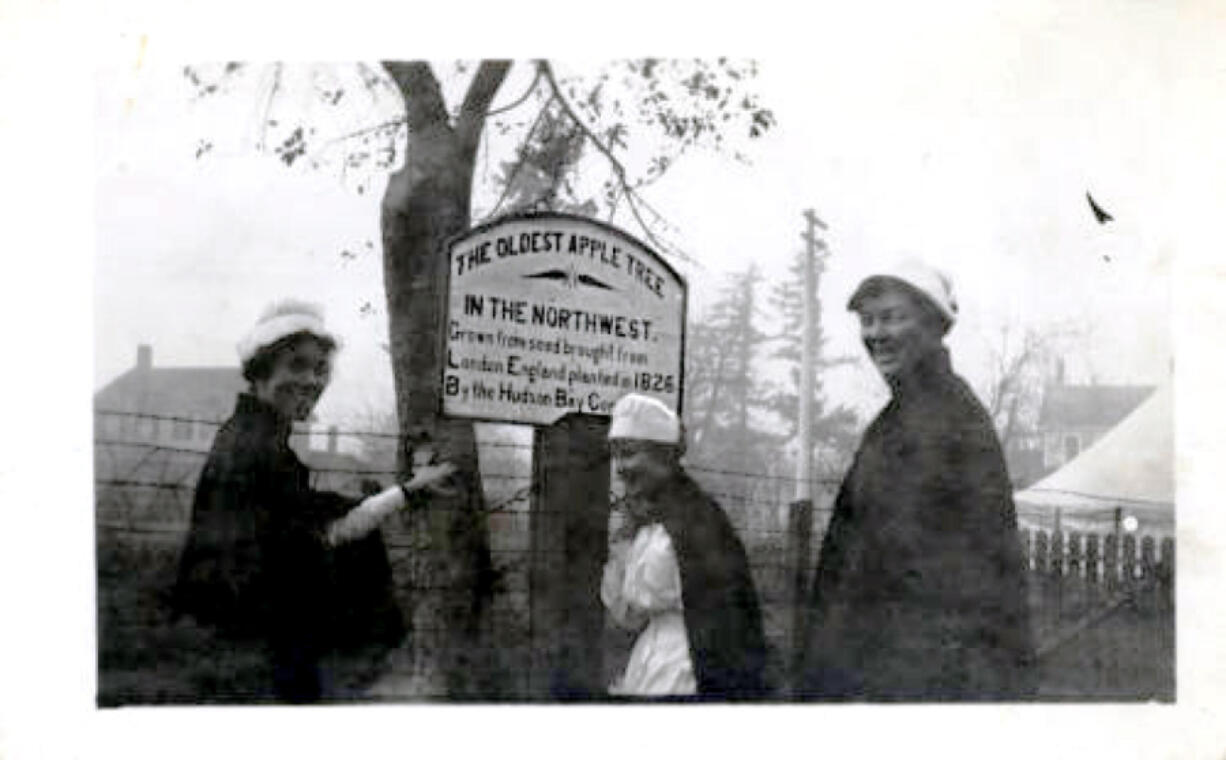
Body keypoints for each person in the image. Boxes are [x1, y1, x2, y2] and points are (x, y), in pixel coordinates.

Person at [171, 300, 454, 703]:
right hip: (258, 645)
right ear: (261, 371)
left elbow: (301, 514)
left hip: (238, 635)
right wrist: (408, 492)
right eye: (296, 365)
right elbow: (330, 533)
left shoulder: (252, 435)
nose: (310, 381)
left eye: (320, 369)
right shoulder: (255, 447)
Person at [794, 260, 1037, 701]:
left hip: (915, 681)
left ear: (933, 325)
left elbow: (935, 576)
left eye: (891, 317)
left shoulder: (949, 420)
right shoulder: (897, 420)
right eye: (868, 321)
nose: (876, 334)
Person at [599, 393, 767, 700]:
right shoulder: (645, 520)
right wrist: (622, 543)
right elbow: (630, 616)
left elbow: (727, 616)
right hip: (649, 663)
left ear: (663, 456)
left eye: (629, 454)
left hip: (689, 667)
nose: (620, 467)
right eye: (616, 455)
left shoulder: (698, 518)